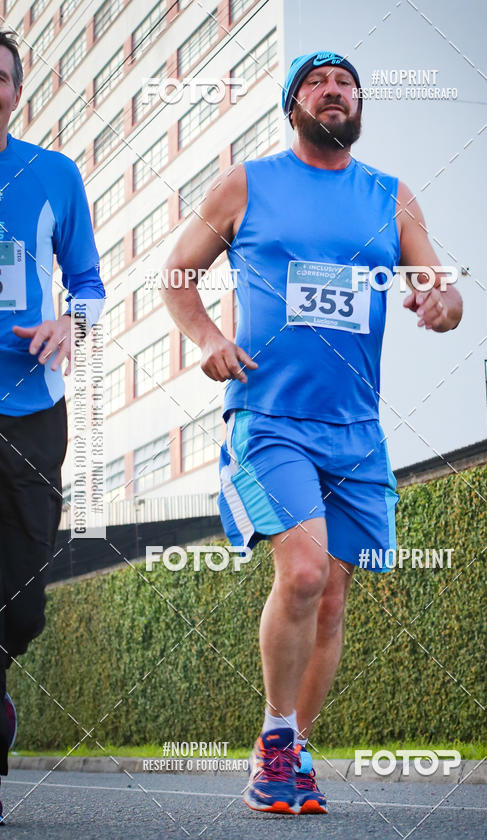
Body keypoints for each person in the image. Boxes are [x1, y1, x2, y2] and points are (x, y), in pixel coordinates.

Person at [162, 50, 463, 815]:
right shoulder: (247, 182)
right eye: (318, 84)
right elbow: (176, 274)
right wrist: (207, 341)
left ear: (359, 106)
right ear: (293, 104)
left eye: (347, 85)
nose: (336, 93)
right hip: (270, 418)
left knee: (331, 599)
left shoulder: (389, 197)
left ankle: (291, 757)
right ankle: (273, 740)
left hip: (357, 430)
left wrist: (440, 304)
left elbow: (440, 288)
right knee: (300, 574)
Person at [0, 31, 104, 818]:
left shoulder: (54, 175)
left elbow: (91, 284)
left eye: (0, 77)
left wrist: (72, 324)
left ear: (16, 92)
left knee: (24, 600)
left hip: (33, 407)